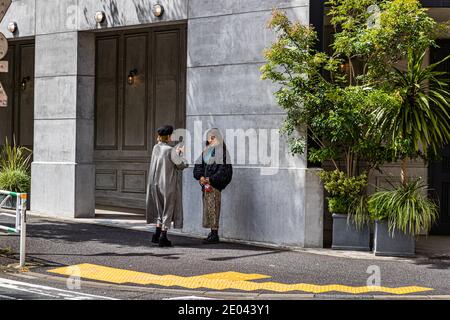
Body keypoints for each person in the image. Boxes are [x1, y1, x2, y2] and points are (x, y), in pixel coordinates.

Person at [146, 125, 188, 247]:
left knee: (160, 209)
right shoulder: (170, 150)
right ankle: (163, 237)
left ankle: (156, 234)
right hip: (168, 184)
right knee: (168, 209)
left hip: (155, 183)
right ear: (168, 136)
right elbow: (181, 165)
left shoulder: (155, 148)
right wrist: (180, 153)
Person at [194, 128, 233, 244]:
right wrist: (200, 177)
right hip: (205, 185)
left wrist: (211, 179)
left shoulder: (223, 152)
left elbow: (225, 170)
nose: (210, 140)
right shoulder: (207, 151)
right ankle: (212, 232)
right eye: (209, 138)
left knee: (214, 209)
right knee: (208, 209)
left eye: (212, 137)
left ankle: (215, 234)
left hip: (214, 186)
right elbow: (198, 165)